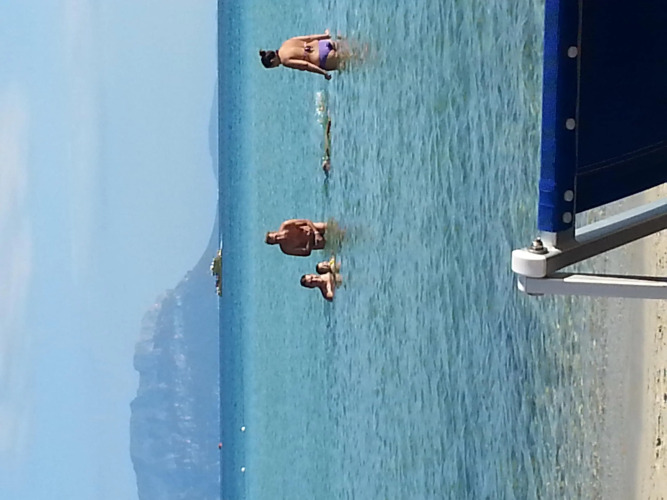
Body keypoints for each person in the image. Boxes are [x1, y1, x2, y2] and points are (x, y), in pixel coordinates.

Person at [259, 30, 341, 80]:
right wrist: (326, 36)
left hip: (322, 57)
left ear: (272, 61)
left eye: (273, 66)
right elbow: (309, 38)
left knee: (347, 64)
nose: (276, 66)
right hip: (322, 43)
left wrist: (324, 73)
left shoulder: (284, 60)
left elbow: (305, 65)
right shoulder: (285, 43)